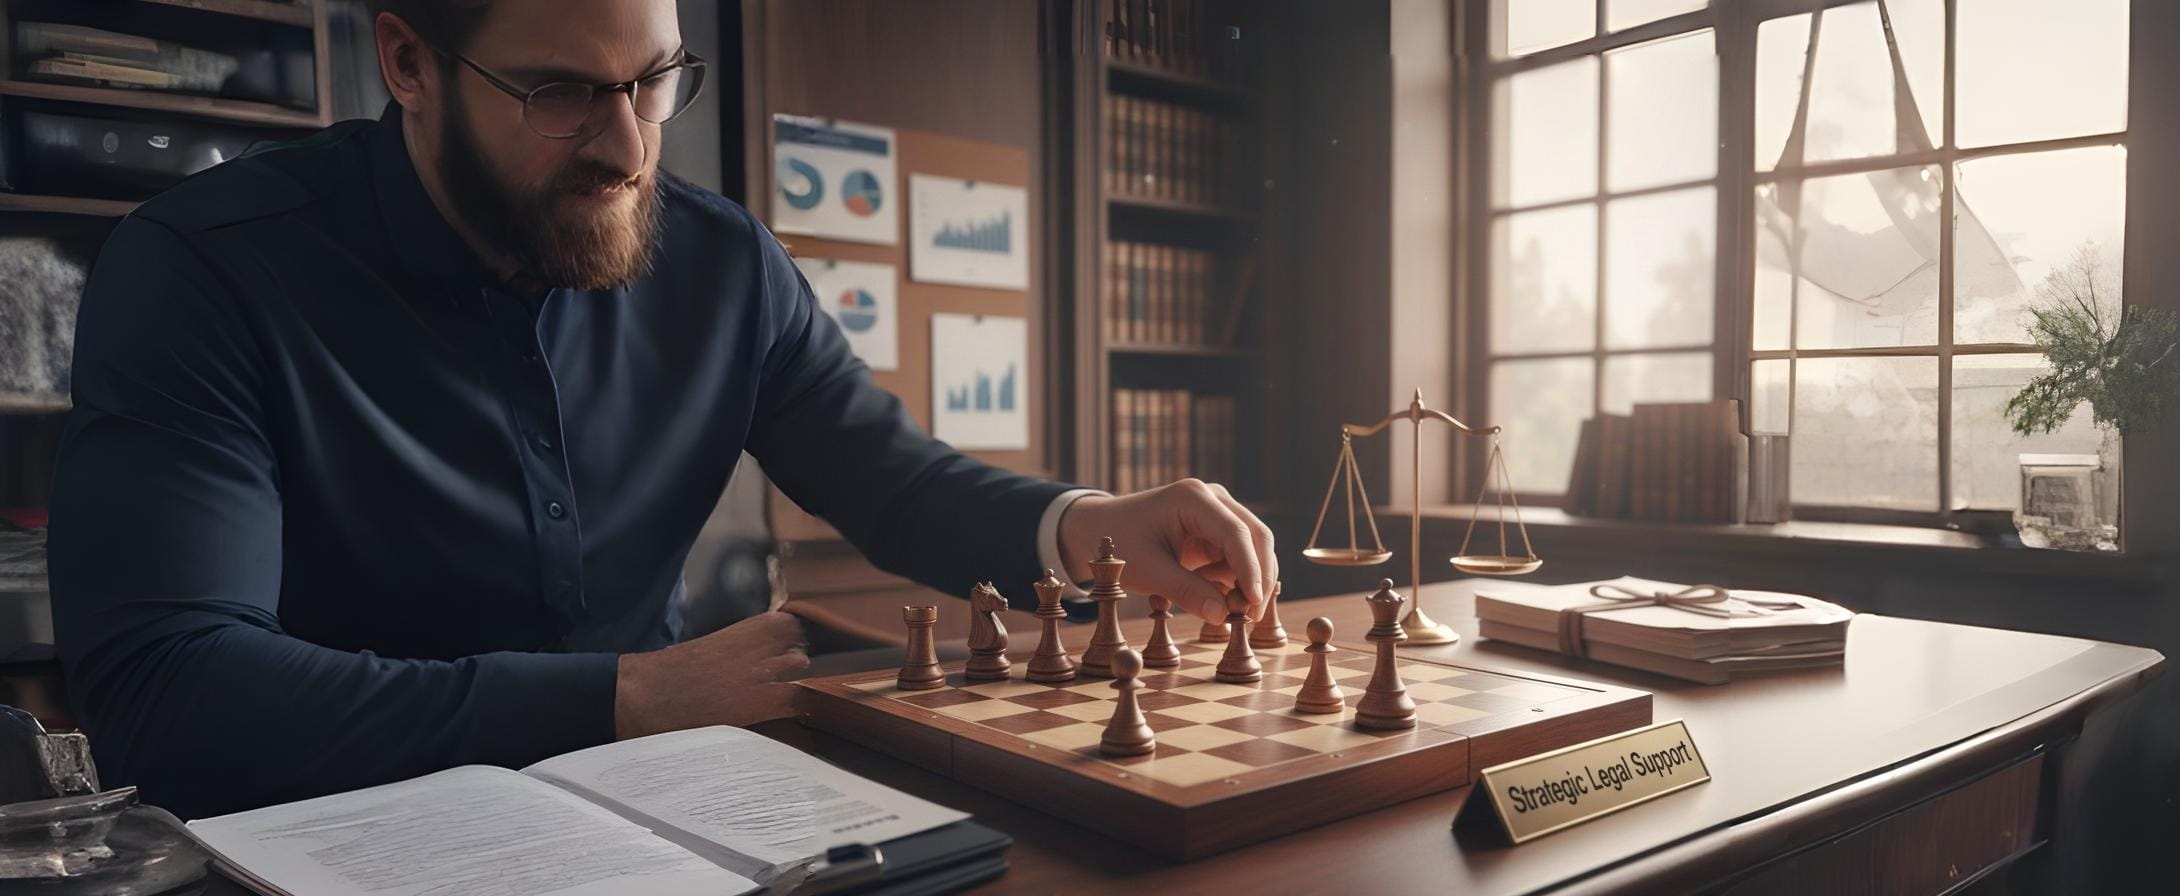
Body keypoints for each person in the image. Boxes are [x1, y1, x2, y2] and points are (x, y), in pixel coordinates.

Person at [46, 0, 1277, 819]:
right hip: (324, 864)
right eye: (560, 95)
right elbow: (174, 694)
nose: (629, 149)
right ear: (408, 61)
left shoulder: (724, 265)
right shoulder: (201, 270)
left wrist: (1087, 523)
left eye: (653, 81)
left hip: (668, 829)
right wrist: (623, 698)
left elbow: (887, 478)